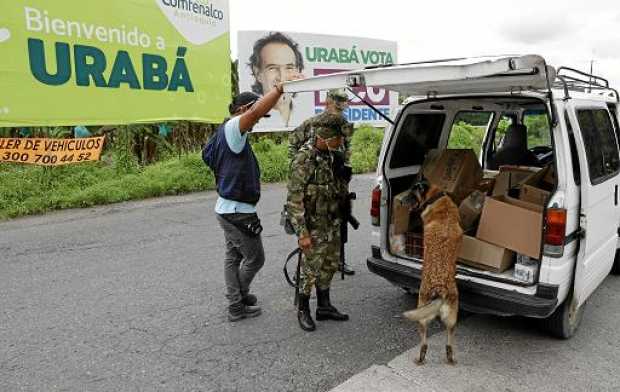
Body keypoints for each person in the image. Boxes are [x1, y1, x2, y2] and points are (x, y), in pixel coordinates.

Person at [209, 79, 299, 322]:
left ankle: (237, 299)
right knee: (255, 258)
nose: (257, 120)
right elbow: (257, 110)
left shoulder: (224, 132)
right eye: (254, 115)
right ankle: (237, 302)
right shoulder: (233, 128)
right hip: (237, 211)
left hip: (228, 208)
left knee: (234, 257)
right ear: (242, 110)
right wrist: (280, 90)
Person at [286, 105, 355, 332]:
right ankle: (303, 308)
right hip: (313, 225)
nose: (342, 144)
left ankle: (324, 306)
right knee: (310, 268)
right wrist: (302, 234)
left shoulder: (331, 155)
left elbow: (336, 187)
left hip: (332, 221)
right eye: (338, 139)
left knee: (330, 264)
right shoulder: (304, 160)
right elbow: (294, 201)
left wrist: (343, 176)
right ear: (325, 137)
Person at [287, 89, 356, 275]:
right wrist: (302, 169)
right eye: (337, 105)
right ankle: (306, 270)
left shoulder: (343, 125)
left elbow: (346, 150)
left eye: (342, 106)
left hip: (337, 180)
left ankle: (338, 260)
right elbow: (292, 142)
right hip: (314, 179)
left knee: (338, 221)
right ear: (327, 103)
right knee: (312, 224)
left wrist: (344, 169)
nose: (340, 109)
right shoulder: (312, 124)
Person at [248, 32, 304, 127]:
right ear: (258, 73)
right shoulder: (250, 120)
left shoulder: (306, 113)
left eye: (289, 68)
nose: (282, 78)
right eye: (272, 68)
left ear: (298, 70)